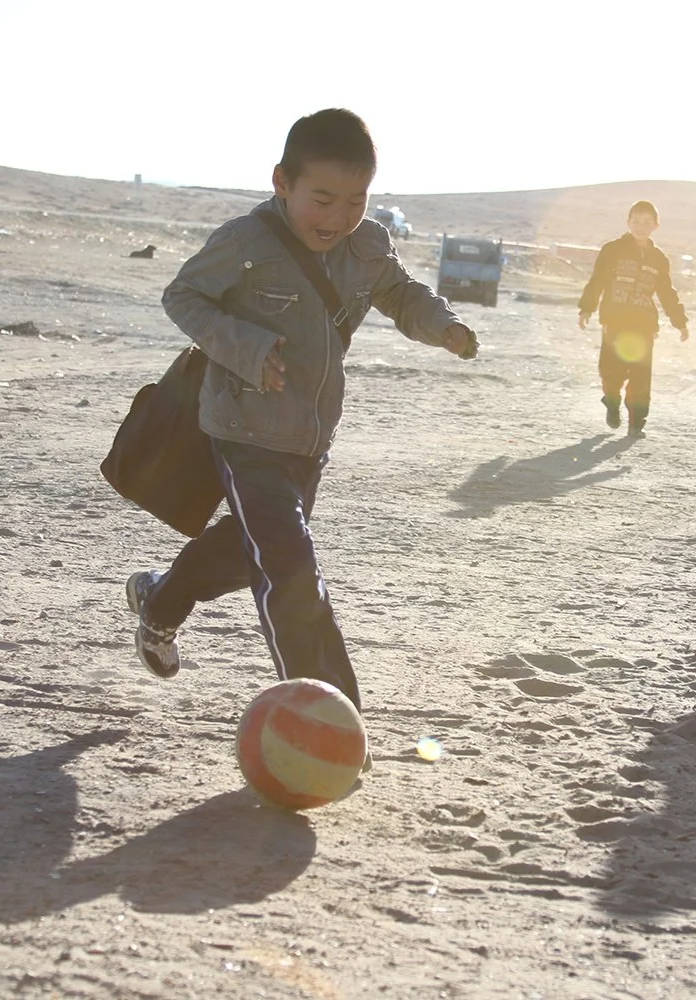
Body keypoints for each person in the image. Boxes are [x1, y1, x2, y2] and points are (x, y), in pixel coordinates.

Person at [125, 109, 479, 720]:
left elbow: (402, 294)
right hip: (244, 431)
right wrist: (248, 348)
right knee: (291, 571)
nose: (339, 217)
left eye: (356, 200)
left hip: (310, 440)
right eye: (323, 199)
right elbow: (182, 296)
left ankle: (160, 601)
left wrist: (442, 324)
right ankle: (330, 723)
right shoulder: (246, 243)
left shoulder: (365, 246)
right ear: (282, 183)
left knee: (251, 551)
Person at [576, 200, 689, 437]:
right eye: (636, 221)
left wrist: (680, 321)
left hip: (644, 325)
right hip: (614, 321)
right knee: (611, 370)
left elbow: (666, 292)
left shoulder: (659, 258)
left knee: (641, 375)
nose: (640, 227)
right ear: (628, 222)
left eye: (647, 222)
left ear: (656, 226)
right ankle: (612, 400)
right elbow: (597, 281)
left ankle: (636, 424)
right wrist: (586, 308)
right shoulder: (612, 250)